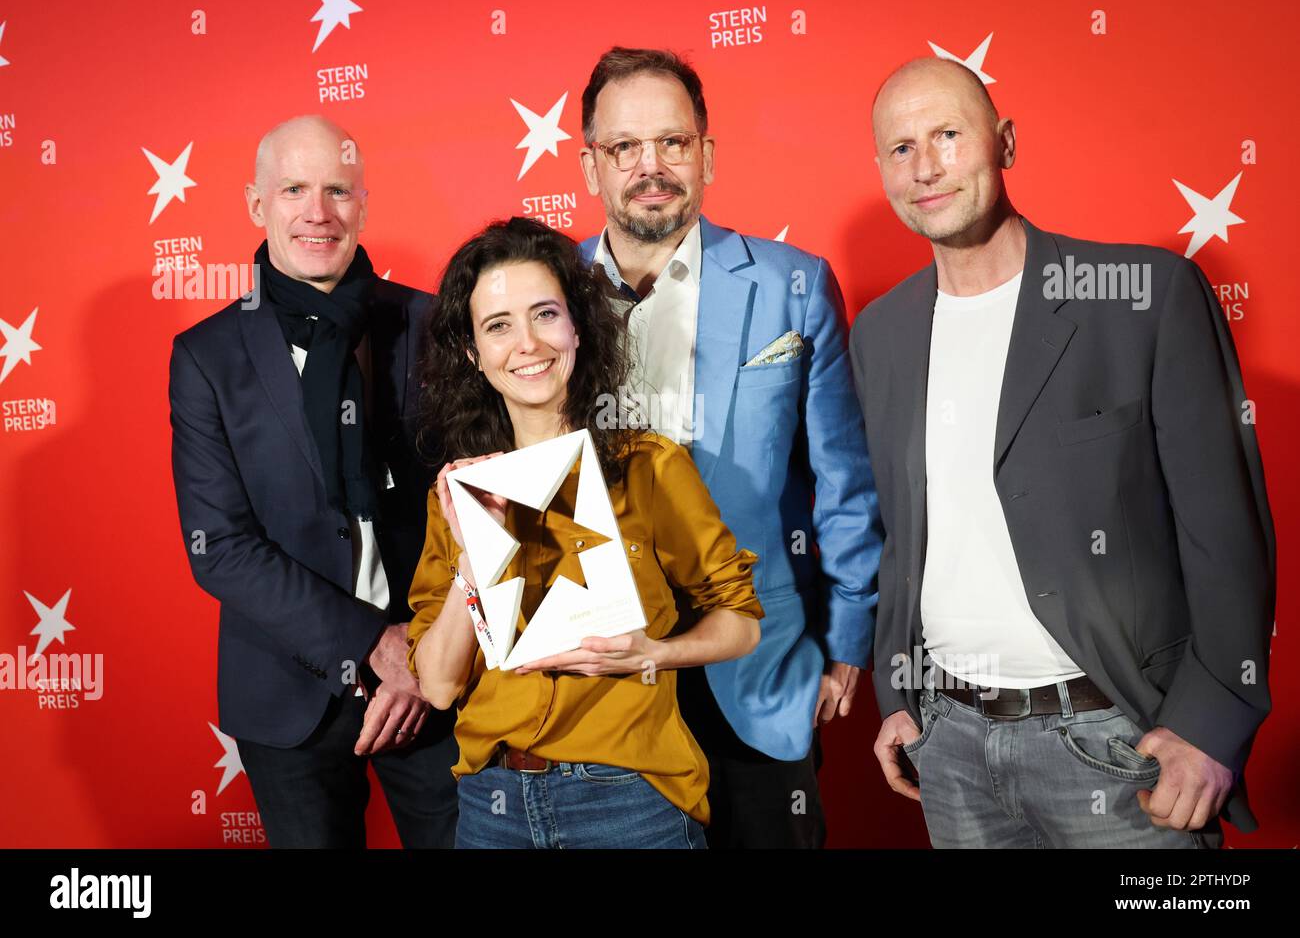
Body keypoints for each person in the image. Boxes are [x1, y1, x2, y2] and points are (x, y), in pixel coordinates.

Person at [850, 57, 1275, 847]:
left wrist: (1214, 725)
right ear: (881, 170)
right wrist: (897, 694)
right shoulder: (880, 333)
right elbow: (897, 535)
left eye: (948, 134)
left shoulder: (1144, 295)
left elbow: (1226, 533)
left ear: (1004, 143)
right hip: (952, 748)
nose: (927, 166)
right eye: (901, 148)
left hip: (1123, 744)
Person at [574, 47, 883, 848]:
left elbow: (842, 482)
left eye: (673, 143)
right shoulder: (542, 298)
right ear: (590, 167)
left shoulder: (794, 285)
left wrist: (849, 640)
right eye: (625, 148)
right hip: (598, 673)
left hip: (760, 664)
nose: (652, 166)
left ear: (706, 155)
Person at [407, 216, 763, 849]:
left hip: (630, 804)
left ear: (578, 326)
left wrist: (654, 653)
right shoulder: (458, 492)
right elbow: (436, 686)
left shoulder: (649, 465)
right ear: (473, 353)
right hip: (493, 809)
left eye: (545, 314)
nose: (527, 344)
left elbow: (741, 622)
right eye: (498, 326)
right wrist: (473, 553)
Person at [169, 114, 458, 848]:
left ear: (364, 202)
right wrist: (372, 642)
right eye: (293, 188)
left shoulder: (428, 325)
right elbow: (220, 546)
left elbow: (471, 506)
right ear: (254, 204)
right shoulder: (205, 356)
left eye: (338, 189)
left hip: (434, 680)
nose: (318, 212)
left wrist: (421, 651)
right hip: (286, 694)